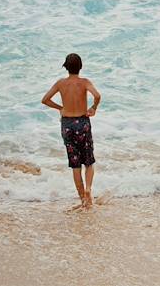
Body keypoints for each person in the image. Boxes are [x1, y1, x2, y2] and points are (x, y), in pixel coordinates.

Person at [41, 53, 101, 208]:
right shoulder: (85, 82)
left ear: (66, 67)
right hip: (82, 122)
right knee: (88, 161)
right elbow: (97, 95)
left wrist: (61, 108)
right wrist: (93, 108)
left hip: (67, 124)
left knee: (75, 165)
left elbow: (45, 99)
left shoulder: (61, 83)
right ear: (81, 66)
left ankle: (83, 200)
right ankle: (88, 190)